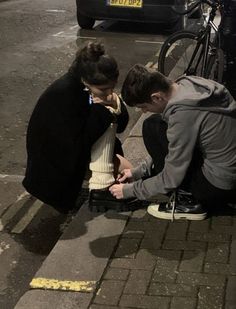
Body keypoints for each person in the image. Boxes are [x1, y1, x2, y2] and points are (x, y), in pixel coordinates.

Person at [109, 64, 236, 220]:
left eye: (143, 106)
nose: (144, 111)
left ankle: (188, 200)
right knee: (157, 123)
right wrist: (138, 172)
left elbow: (171, 178)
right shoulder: (190, 85)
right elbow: (176, 147)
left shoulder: (183, 115)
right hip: (228, 169)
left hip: (218, 185)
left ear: (157, 97)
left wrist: (129, 190)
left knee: (151, 126)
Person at [22, 42, 132, 214]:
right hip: (51, 168)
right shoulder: (63, 95)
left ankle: (104, 186)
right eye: (103, 89)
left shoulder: (85, 89)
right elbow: (70, 145)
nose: (109, 92)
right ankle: (100, 190)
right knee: (106, 118)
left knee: (128, 170)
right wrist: (105, 111)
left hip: (71, 151)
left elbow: (120, 125)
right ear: (84, 80)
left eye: (113, 86)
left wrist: (114, 102)